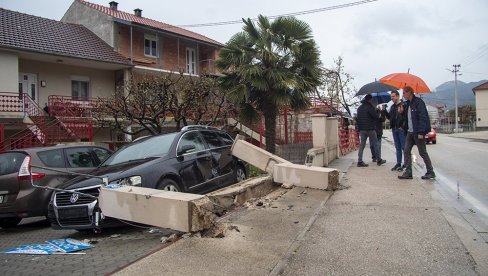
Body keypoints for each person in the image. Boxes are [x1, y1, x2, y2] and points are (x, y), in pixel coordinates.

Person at [398, 86, 435, 179]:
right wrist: (402, 112)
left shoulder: (418, 103)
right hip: (410, 132)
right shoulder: (407, 104)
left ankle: (430, 172)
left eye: (404, 93)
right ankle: (408, 172)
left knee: (422, 152)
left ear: (409, 92)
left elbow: (423, 118)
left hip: (417, 131)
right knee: (406, 151)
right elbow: (407, 118)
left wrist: (421, 132)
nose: (403, 95)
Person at [356, 94, 385, 167]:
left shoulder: (359, 108)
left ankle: (359, 161)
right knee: (375, 144)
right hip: (370, 129)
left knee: (362, 145)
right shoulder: (370, 107)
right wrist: (379, 112)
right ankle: (379, 160)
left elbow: (358, 118)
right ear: (370, 100)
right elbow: (375, 117)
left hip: (362, 129)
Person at [382, 91, 407, 171]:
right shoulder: (392, 107)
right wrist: (384, 111)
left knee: (404, 147)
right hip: (394, 128)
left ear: (398, 96)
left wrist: (403, 126)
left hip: (401, 129)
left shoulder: (403, 105)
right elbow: (390, 117)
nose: (392, 98)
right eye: (391, 97)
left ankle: (406, 164)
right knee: (397, 147)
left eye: (393, 96)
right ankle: (398, 163)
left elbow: (406, 117)